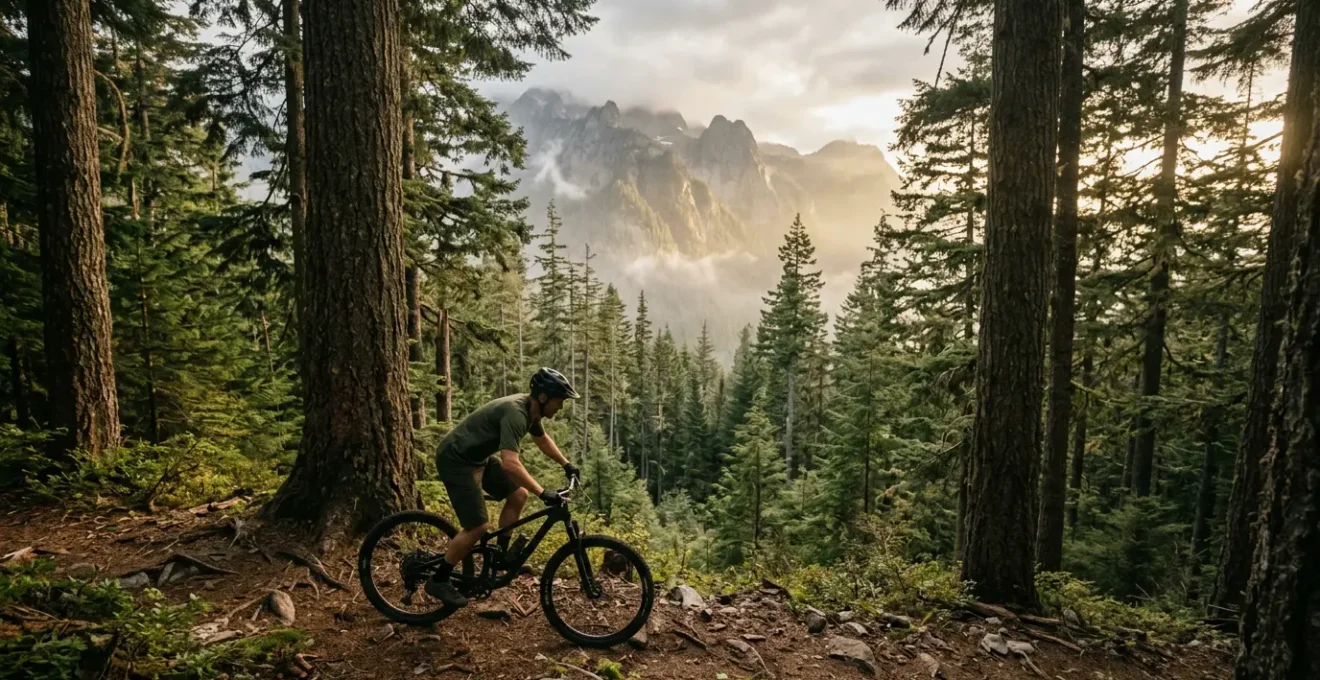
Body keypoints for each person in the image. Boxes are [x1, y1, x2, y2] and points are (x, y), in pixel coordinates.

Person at [425, 367, 581, 608]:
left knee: (518, 495)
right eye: (559, 401)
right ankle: (439, 579)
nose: (560, 407)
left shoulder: (531, 412)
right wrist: (542, 492)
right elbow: (510, 464)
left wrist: (566, 464)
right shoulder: (517, 414)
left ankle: (501, 558)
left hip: (477, 457)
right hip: (456, 459)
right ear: (543, 398)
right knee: (477, 526)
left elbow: (542, 440)